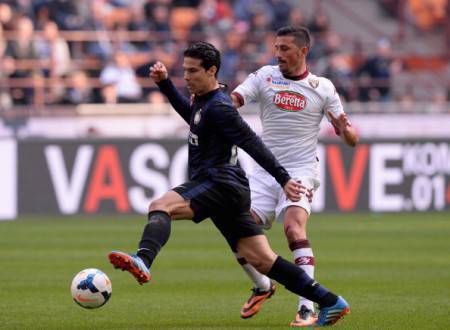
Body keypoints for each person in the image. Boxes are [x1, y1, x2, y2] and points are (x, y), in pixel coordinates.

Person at [108, 41, 350, 327]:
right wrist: (165, 86)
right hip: (228, 188)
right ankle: (330, 301)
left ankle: (143, 260)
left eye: (193, 71)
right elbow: (194, 119)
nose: (186, 76)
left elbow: (252, 143)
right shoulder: (203, 100)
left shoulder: (221, 107)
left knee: (161, 205)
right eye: (184, 70)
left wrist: (283, 179)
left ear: (212, 71)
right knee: (262, 260)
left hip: (219, 181)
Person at [230, 26, 358, 326]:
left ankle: (307, 307)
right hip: (263, 171)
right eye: (276, 48)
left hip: (300, 170)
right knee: (237, 232)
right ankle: (262, 286)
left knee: (293, 230)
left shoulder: (322, 87)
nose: (279, 54)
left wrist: (344, 128)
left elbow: (351, 138)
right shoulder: (264, 76)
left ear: (303, 51)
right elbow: (233, 99)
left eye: (285, 48)